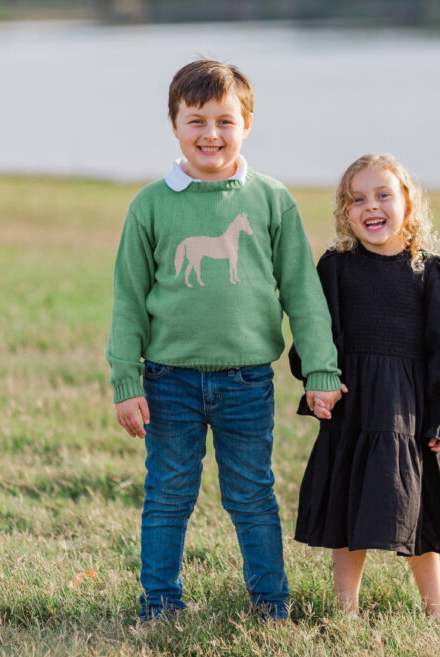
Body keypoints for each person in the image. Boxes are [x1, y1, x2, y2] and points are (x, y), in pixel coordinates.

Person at [106, 59, 344, 624]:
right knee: (168, 494)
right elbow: (128, 299)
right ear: (174, 125)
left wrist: (321, 369)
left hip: (247, 382)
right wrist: (125, 381)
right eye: (196, 121)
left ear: (247, 124)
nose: (210, 133)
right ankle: (160, 604)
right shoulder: (150, 205)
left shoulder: (271, 200)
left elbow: (303, 293)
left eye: (224, 121)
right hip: (169, 380)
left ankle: (271, 604)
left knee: (252, 495)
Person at [290, 153, 440, 629]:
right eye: (357, 199)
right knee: (349, 512)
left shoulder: (428, 272)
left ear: (408, 204)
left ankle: (437, 611)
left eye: (383, 195)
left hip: (409, 414)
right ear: (345, 213)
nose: (370, 206)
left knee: (419, 511)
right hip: (353, 408)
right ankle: (345, 611)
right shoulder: (336, 267)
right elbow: (314, 331)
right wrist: (316, 380)